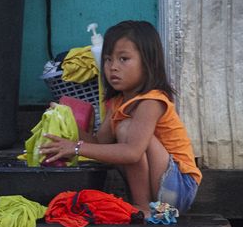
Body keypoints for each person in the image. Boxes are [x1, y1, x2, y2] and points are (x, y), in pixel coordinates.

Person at [39, 20, 201, 214]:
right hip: (159, 189)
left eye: (123, 59)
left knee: (125, 130)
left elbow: (133, 152)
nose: (113, 67)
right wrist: (64, 120)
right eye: (108, 59)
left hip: (179, 188)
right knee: (117, 141)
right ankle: (143, 205)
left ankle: (142, 207)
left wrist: (75, 148)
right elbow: (100, 143)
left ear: (148, 62)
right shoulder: (117, 102)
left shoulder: (152, 100)